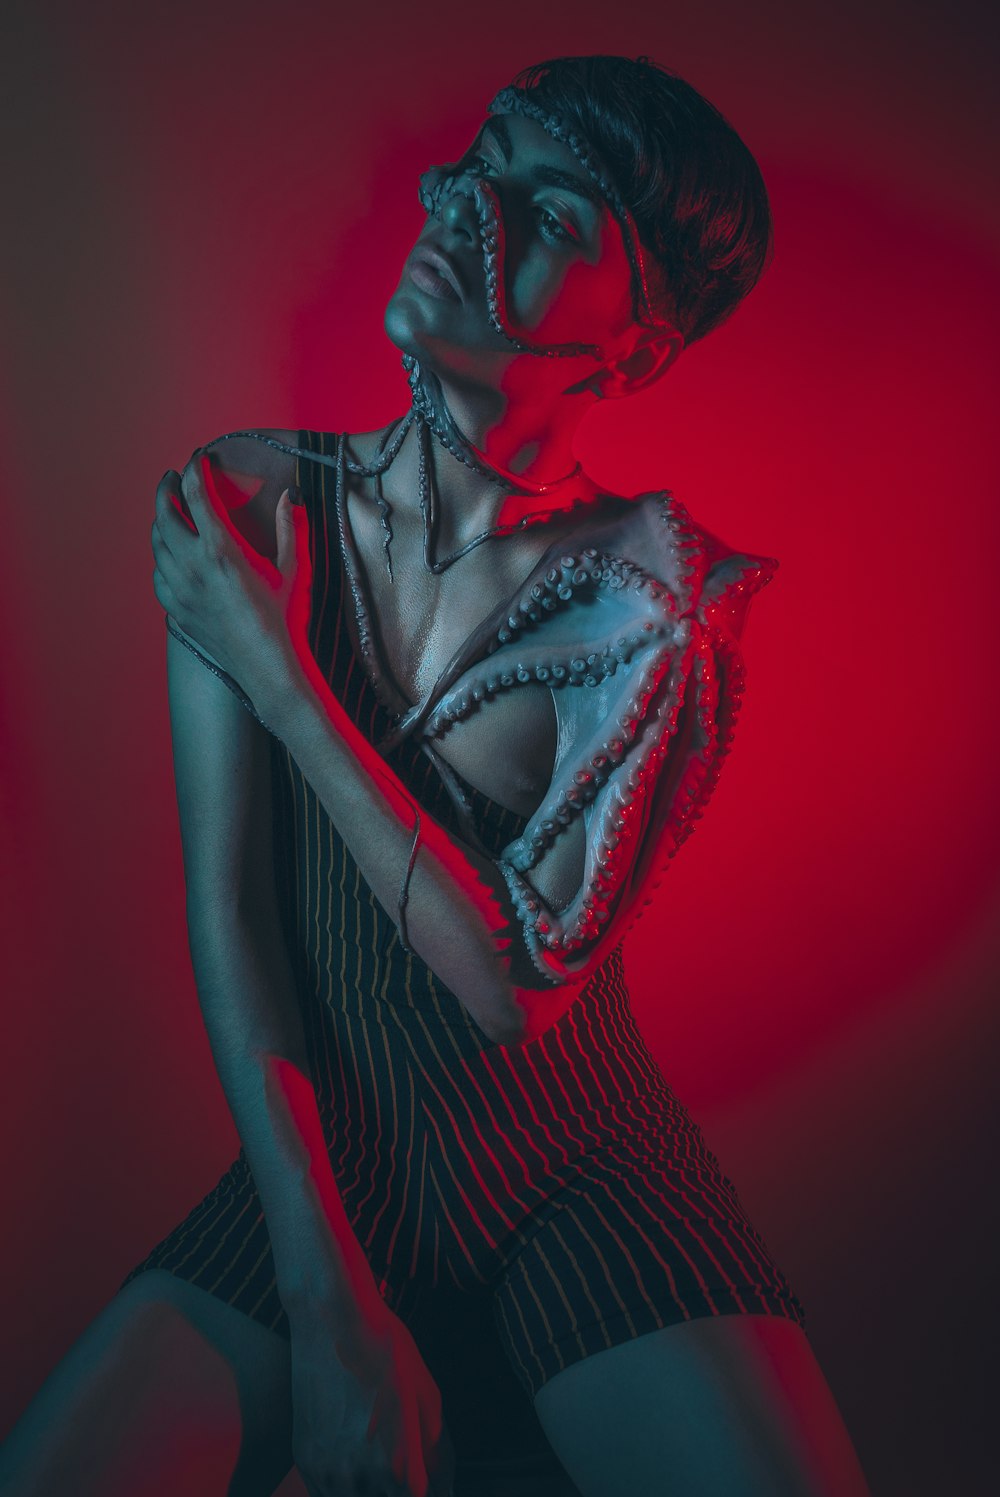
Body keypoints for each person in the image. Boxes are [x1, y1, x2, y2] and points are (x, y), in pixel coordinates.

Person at [1, 55, 872, 1497]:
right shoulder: (249, 505)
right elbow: (236, 922)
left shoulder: (655, 607)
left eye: (552, 212)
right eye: (484, 158)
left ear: (638, 352)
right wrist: (326, 1294)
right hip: (329, 1176)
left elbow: (509, 986)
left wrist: (281, 674)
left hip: (586, 1185)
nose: (467, 203)